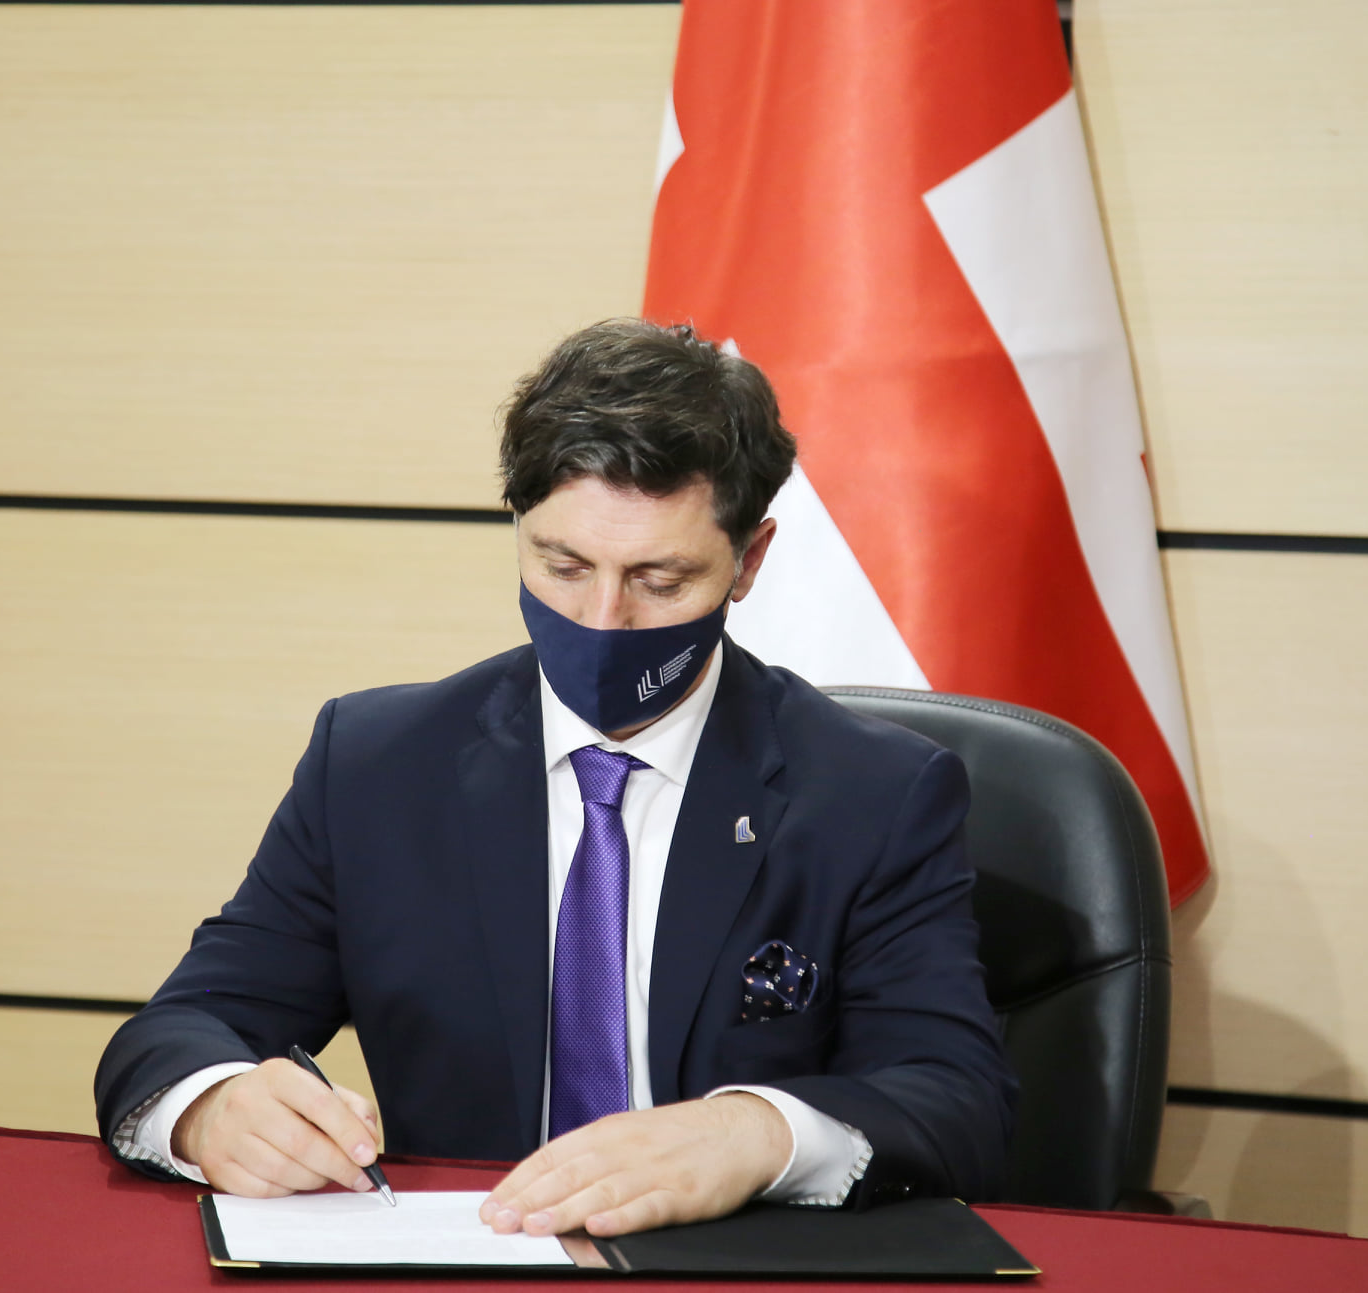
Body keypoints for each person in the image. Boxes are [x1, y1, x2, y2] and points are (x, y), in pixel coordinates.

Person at [95, 318, 1016, 1240]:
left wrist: (755, 1132)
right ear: (517, 528)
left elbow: (956, 1099)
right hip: (462, 1250)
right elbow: (183, 1027)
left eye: (660, 579)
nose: (603, 620)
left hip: (726, 1262)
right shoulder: (376, 763)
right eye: (564, 565)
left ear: (748, 560)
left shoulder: (875, 792)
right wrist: (213, 1107)